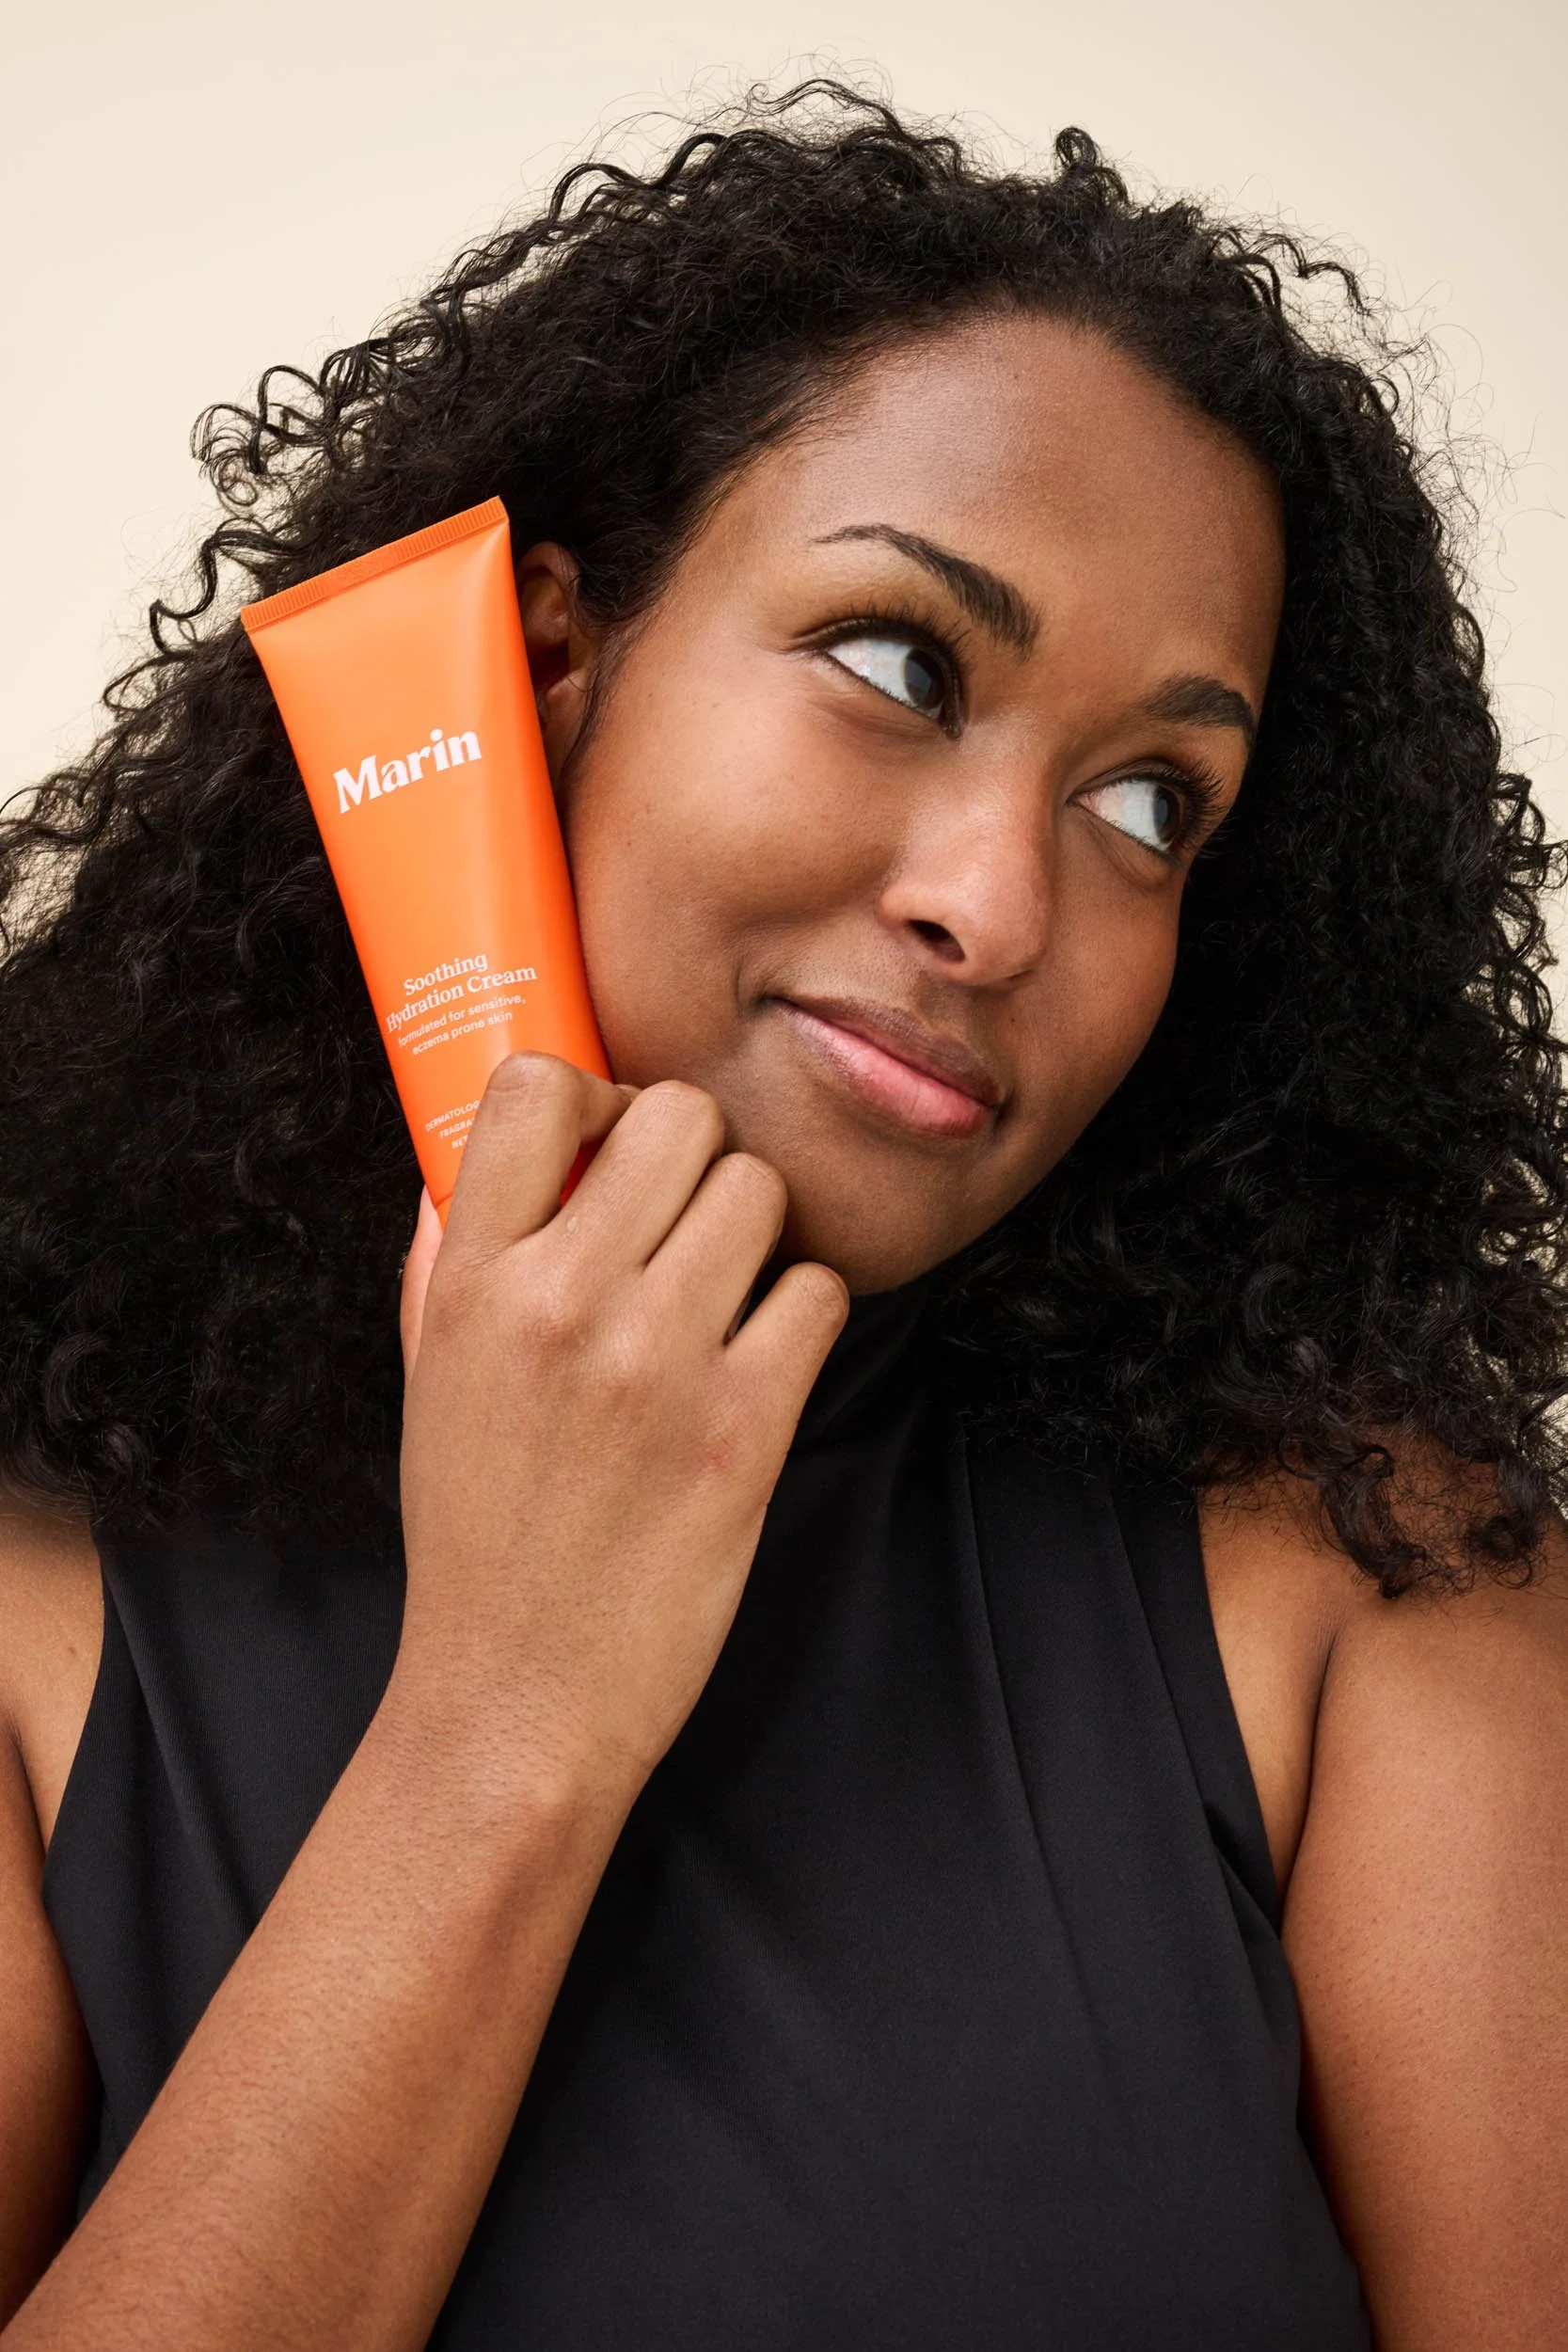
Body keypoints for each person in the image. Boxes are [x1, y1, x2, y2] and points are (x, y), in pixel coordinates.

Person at [1, 80, 1564, 2352]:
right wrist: (506, 1713)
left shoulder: (1365, 1576)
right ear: (552, 662)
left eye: (1151, 800)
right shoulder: (43, 1601)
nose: (997, 906)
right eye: (898, 663)